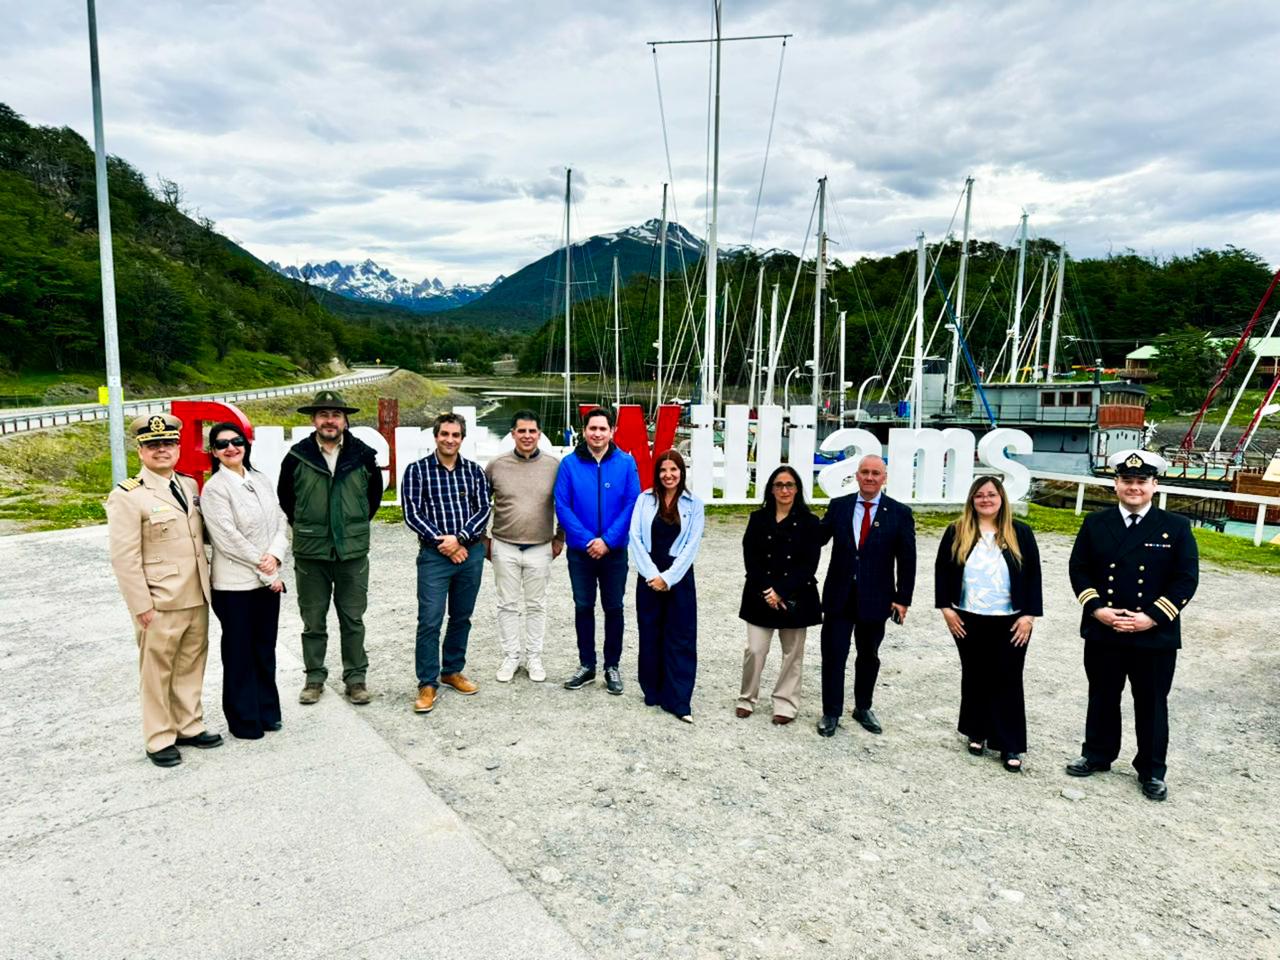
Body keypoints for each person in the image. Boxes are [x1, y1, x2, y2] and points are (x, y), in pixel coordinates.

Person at [1066, 449, 1198, 802]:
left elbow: (1186, 580)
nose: (1134, 487)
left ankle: (1152, 771)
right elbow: (1079, 569)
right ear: (1116, 484)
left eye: (1142, 481)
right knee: (1103, 695)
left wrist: (1151, 617)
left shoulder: (1176, 527)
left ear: (1154, 485)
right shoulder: (1097, 522)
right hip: (1104, 627)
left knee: (1152, 702)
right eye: (1127, 481)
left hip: (1154, 633)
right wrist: (1097, 609)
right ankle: (1097, 754)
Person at [106, 413, 220, 767]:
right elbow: (125, 558)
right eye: (153, 445)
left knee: (191, 663)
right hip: (160, 601)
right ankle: (158, 738)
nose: (161, 450)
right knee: (157, 672)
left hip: (196, 594)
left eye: (167, 444)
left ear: (177, 447)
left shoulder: (188, 485)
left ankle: (188, 724)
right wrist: (140, 605)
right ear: (140, 451)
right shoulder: (128, 496)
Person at [277, 390, 383, 706]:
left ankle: (355, 679)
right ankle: (314, 678)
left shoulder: (363, 456)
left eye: (335, 415)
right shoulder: (297, 456)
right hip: (311, 553)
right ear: (314, 420)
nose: (329, 420)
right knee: (313, 619)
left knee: (353, 619)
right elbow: (287, 500)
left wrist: (349, 530)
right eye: (323, 415)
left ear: (344, 419)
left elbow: (372, 499)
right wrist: (312, 529)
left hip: (351, 553)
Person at [934, 475, 1042, 772]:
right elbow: (942, 571)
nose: (986, 500)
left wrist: (1029, 615)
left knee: (1007, 678)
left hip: (1011, 619)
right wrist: (946, 609)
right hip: (967, 616)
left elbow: (1033, 576)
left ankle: (1009, 744)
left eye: (992, 495)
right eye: (979, 495)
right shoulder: (957, 531)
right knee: (975, 674)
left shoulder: (1020, 532)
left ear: (1001, 499)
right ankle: (976, 730)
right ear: (972, 499)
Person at [816, 454, 916, 738]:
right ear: (856, 476)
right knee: (834, 654)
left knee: (868, 655)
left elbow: (907, 559)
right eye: (865, 472)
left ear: (884, 478)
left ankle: (863, 706)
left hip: (877, 598)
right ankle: (831, 712)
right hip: (839, 595)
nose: (870, 477)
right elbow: (818, 537)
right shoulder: (839, 507)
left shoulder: (899, 513)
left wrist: (903, 598)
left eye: (876, 473)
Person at [200, 421, 288, 740]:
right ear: (214, 452)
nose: (231, 448)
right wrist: (266, 568)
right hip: (235, 587)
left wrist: (275, 555)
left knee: (264, 649)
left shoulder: (261, 479)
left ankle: (267, 711)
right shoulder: (214, 489)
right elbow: (227, 539)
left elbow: (280, 519)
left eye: (236, 441)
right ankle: (244, 720)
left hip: (267, 580)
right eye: (222, 445)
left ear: (245, 444)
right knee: (239, 655)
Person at [403, 413, 491, 714]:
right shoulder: (417, 471)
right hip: (434, 557)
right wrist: (446, 544)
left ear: (462, 439)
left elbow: (483, 510)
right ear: (436, 436)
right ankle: (427, 683)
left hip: (470, 554)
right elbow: (412, 514)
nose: (450, 440)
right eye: (445, 434)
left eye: (455, 435)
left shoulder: (475, 472)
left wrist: (461, 539)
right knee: (429, 619)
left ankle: (452, 670)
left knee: (461, 616)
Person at [554, 407, 641, 694]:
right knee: (583, 606)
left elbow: (632, 505)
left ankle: (612, 666)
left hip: (614, 552)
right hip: (581, 552)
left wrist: (608, 540)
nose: (597, 434)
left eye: (603, 429)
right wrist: (588, 539)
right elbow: (562, 505)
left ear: (612, 431)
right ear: (584, 430)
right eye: (593, 428)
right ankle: (587, 664)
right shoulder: (569, 465)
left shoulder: (626, 464)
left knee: (614, 607)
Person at [735, 465, 823, 725]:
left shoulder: (810, 522)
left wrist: (782, 591)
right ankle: (747, 697)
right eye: (779, 485)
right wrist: (768, 591)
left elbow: (809, 564)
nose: (784, 490)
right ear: (771, 489)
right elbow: (750, 557)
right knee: (754, 649)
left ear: (797, 489)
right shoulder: (758, 518)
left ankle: (785, 703)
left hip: (796, 596)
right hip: (760, 594)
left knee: (792, 654)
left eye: (789, 485)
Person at [484, 409, 563, 683]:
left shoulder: (554, 466)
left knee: (536, 605)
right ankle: (511, 656)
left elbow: (564, 505)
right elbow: (480, 504)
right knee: (506, 604)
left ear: (539, 434)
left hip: (540, 546)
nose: (527, 436)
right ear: (513, 433)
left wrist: (560, 537)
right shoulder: (496, 466)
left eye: (532, 431)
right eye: (522, 431)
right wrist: (484, 538)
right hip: (504, 545)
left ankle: (534, 657)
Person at [627, 450, 705, 722]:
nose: (668, 475)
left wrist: (668, 578)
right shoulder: (644, 499)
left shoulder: (694, 504)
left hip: (679, 577)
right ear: (657, 473)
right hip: (649, 575)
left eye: (674, 470)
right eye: (663, 470)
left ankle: (679, 699)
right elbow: (634, 537)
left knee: (680, 637)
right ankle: (653, 690)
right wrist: (651, 574)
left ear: (682, 472)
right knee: (650, 633)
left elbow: (692, 545)